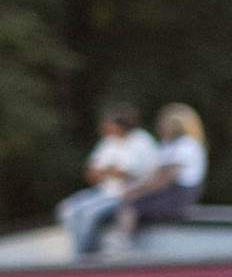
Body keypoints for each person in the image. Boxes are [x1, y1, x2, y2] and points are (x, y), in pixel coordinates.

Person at [96, 103, 208, 251]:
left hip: (180, 194)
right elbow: (155, 175)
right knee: (131, 201)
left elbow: (165, 179)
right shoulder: (170, 145)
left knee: (132, 206)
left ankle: (123, 241)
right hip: (173, 191)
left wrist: (138, 192)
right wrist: (137, 188)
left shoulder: (186, 146)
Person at [57, 102, 159, 259]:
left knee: (90, 214)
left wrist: (108, 171)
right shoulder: (108, 143)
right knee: (68, 209)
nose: (105, 129)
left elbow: (129, 174)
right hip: (106, 191)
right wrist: (111, 171)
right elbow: (92, 174)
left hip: (128, 195)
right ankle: (79, 250)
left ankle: (85, 257)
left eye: (109, 124)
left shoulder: (141, 141)